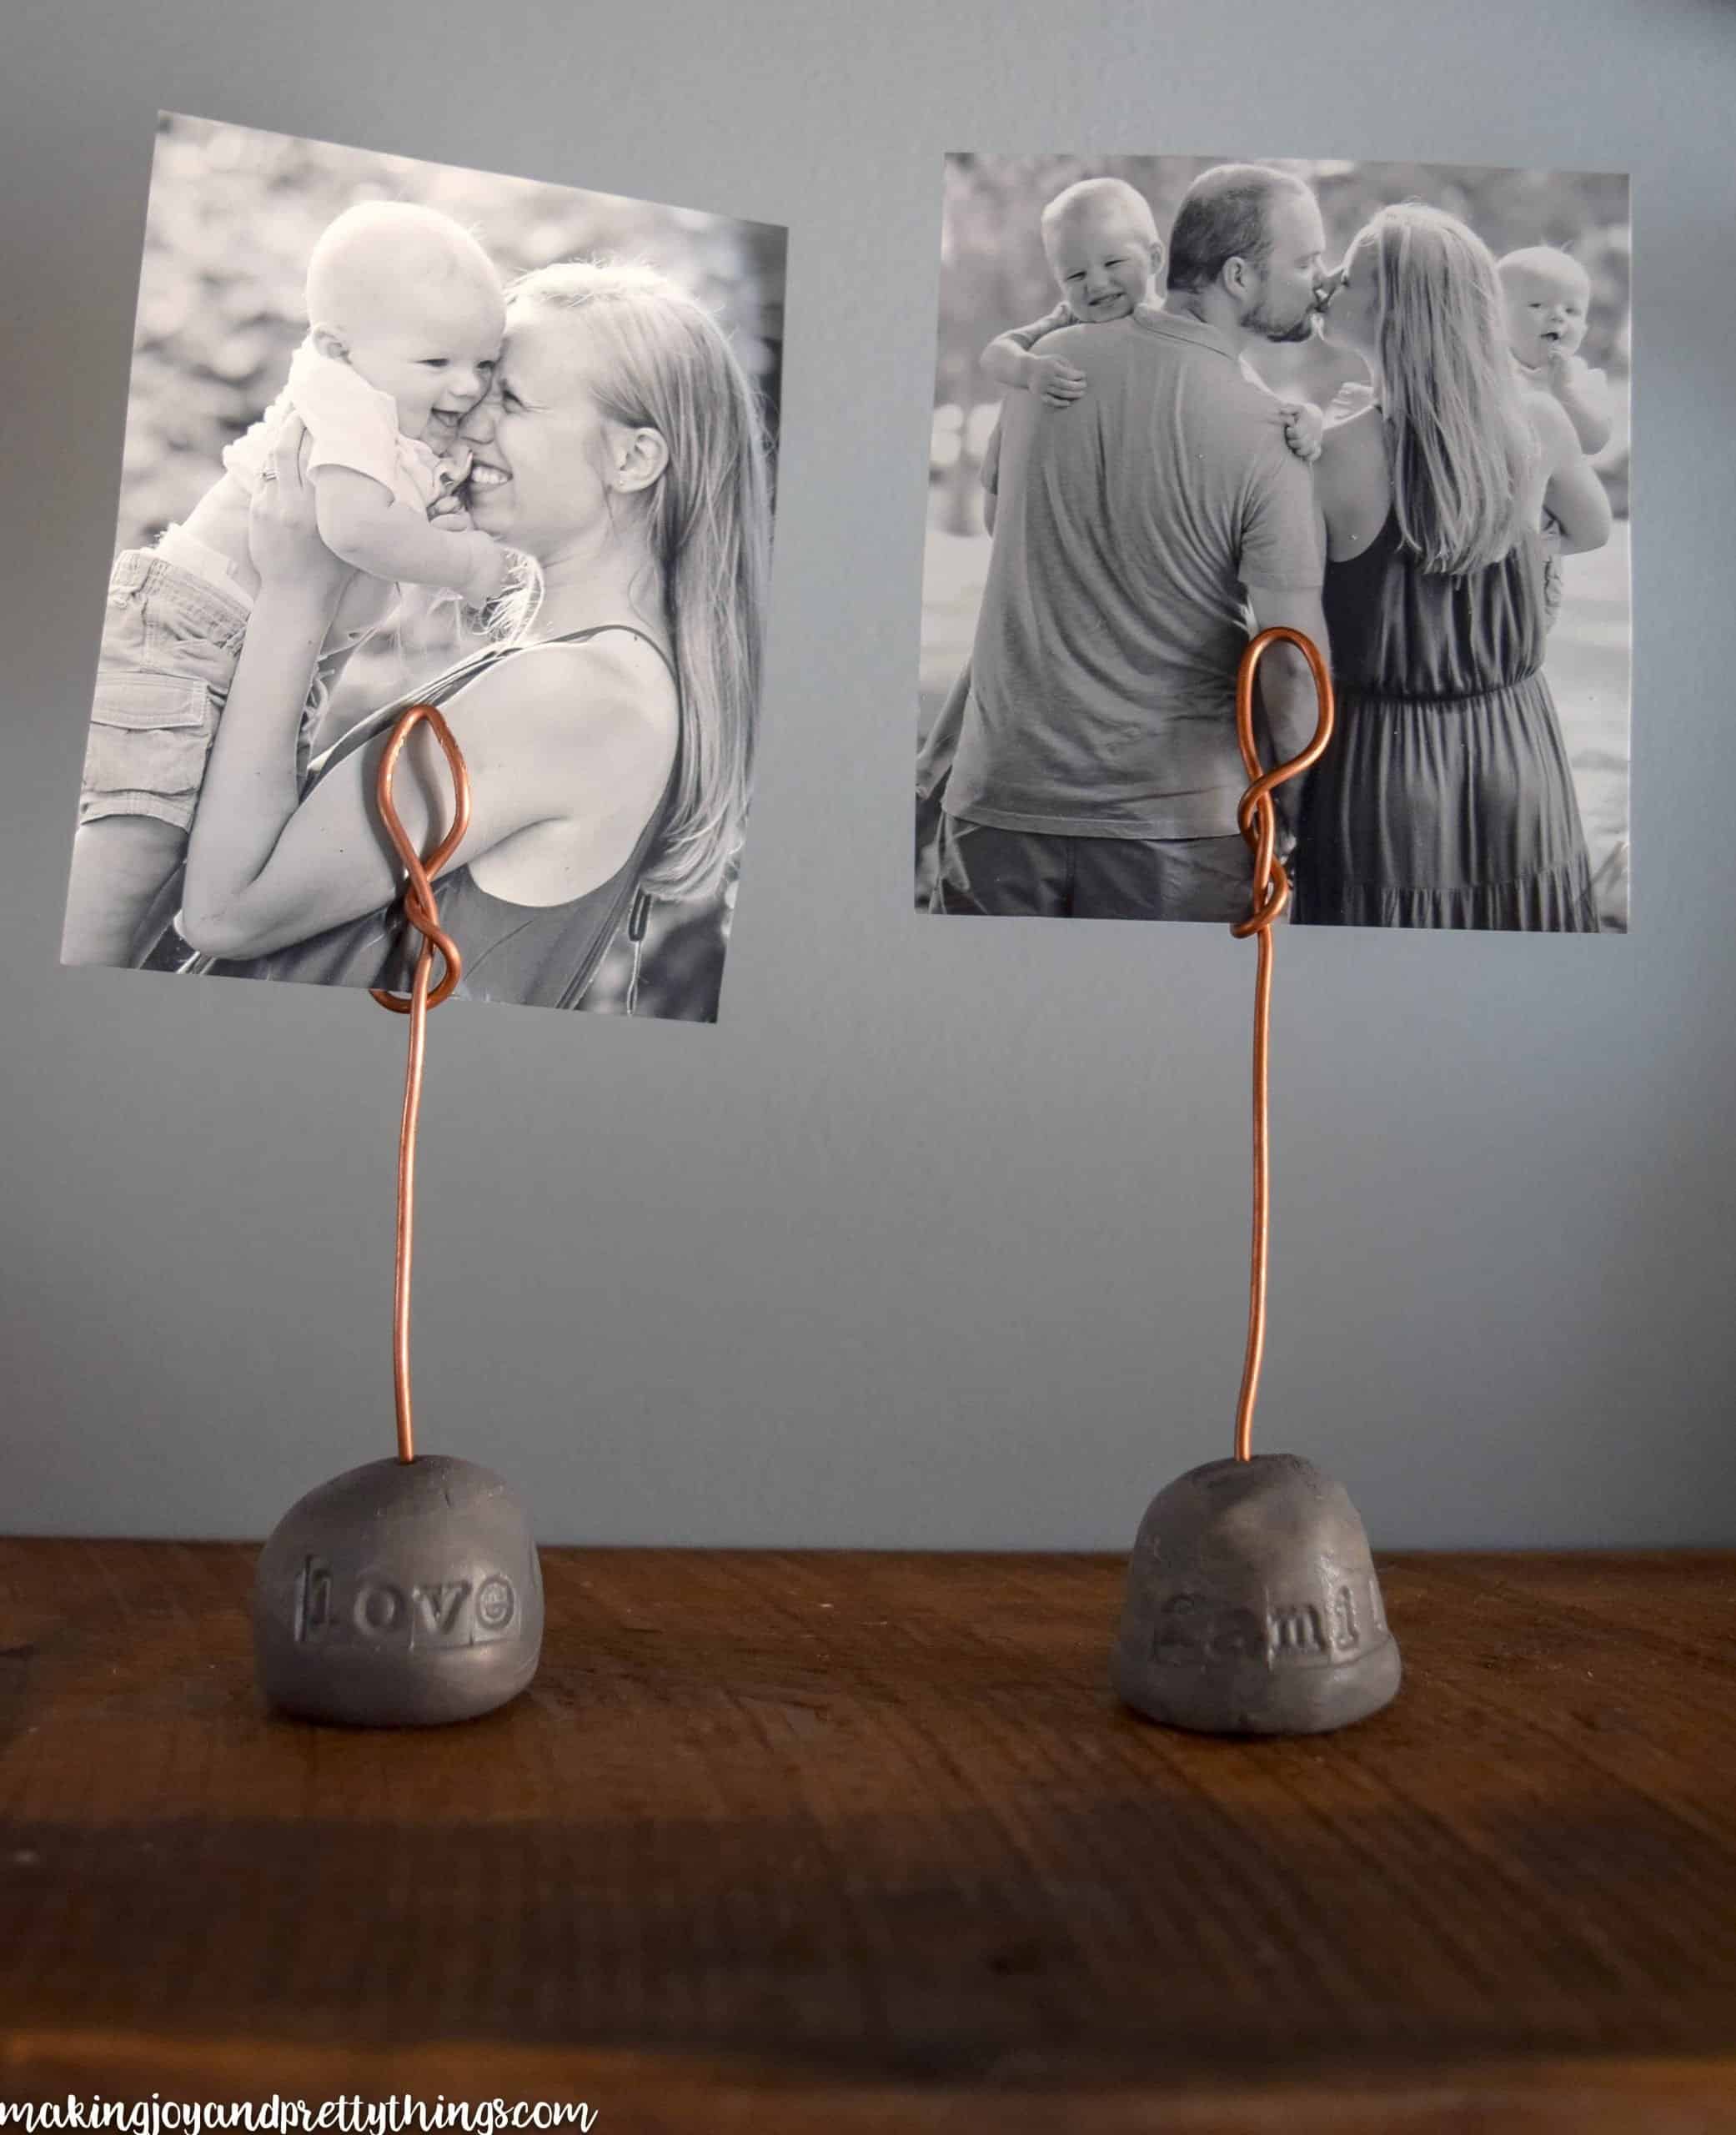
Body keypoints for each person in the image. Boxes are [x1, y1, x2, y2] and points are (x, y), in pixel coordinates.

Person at [174, 259, 770, 1014]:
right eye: (479, 387)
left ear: (633, 459)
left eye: (510, 400)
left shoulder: (575, 693)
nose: (467, 418)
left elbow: (224, 914)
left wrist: (295, 594)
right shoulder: (580, 670)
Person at [63, 203, 512, 970]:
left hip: (233, 647)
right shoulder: (343, 399)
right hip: (186, 636)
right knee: (131, 852)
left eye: (484, 363)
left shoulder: (390, 414)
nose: (467, 387)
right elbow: (353, 530)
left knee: (167, 884)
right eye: (438, 365)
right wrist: (472, 566)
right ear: (340, 349)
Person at [931, 163, 1332, 922]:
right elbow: (1292, 665)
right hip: (1176, 831)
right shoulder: (1271, 433)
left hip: (997, 805)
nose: (1320, 280)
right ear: (1241, 277)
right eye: (1306, 261)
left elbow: (998, 519)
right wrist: (1293, 809)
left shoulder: (1046, 372)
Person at [1297, 204, 1612, 931]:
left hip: (1380, 773)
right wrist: (1521, 544)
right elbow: (1590, 529)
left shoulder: (1330, 457)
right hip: (1520, 749)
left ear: (1392, 308)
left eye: (1347, 277)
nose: (1326, 288)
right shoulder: (1536, 422)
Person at [1498, 244, 1613, 627]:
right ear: (1495, 316)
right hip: (1500, 510)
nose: (1557, 318)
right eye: (1537, 306)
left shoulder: (1581, 379)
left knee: (1529, 611)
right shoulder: (1491, 373)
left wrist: (1564, 391)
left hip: (1550, 521)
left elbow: (1595, 438)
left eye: (1571, 310)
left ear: (1586, 328)